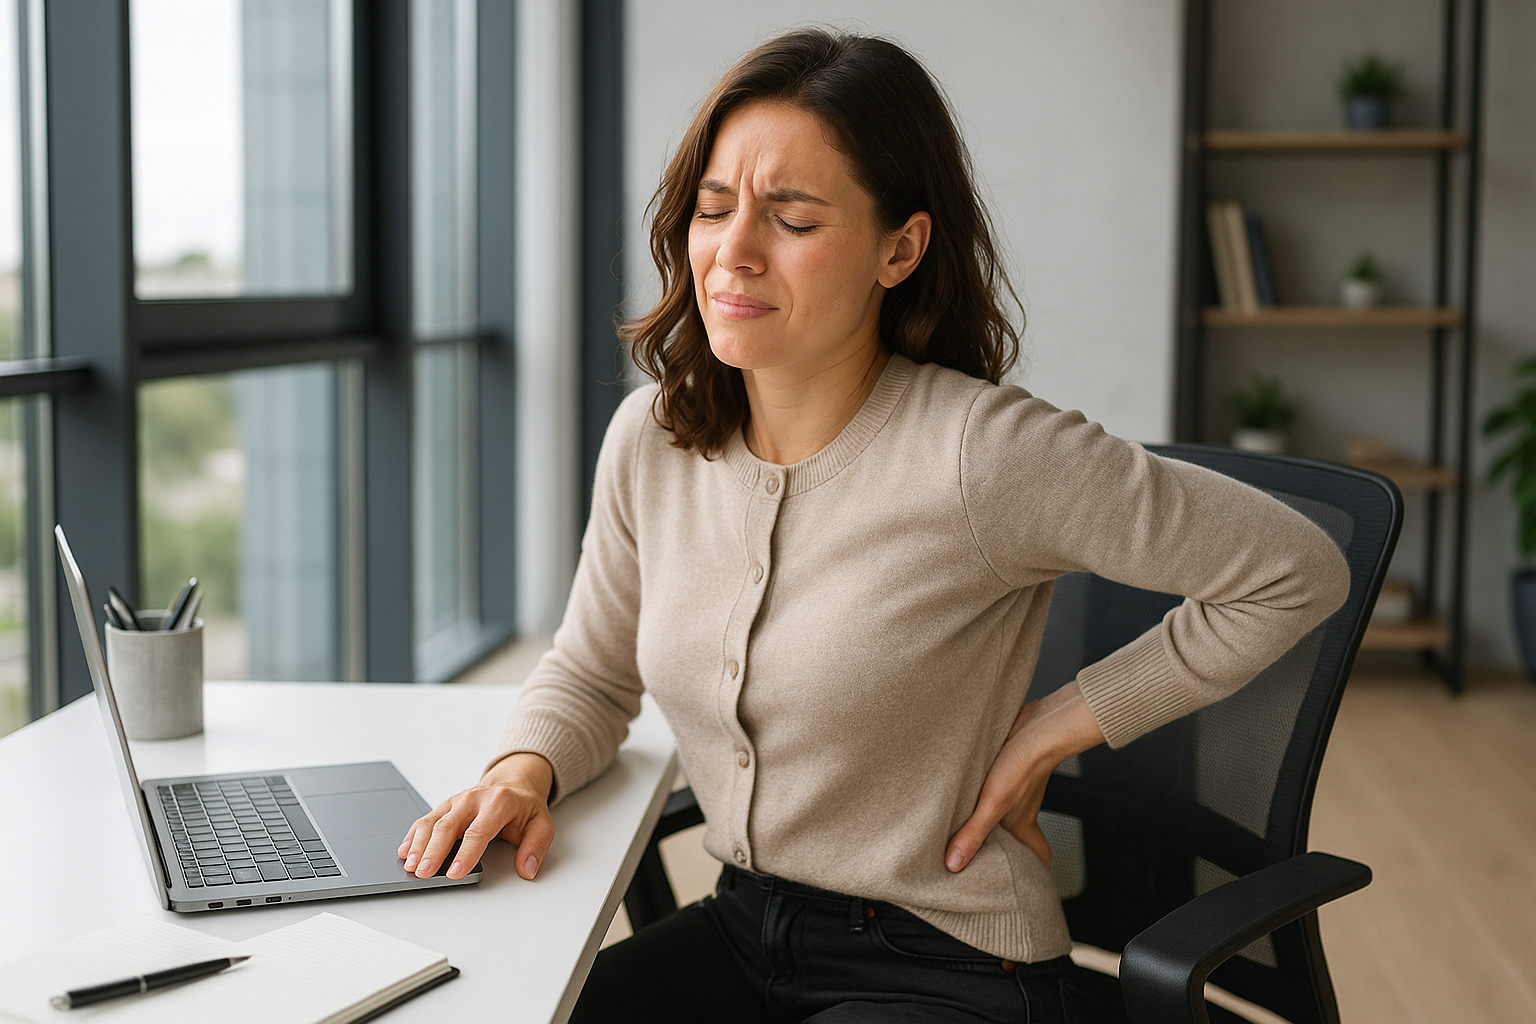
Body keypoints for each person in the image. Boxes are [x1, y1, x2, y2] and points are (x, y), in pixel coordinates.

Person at [399, 28, 1350, 1024]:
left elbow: (1293, 567)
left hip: (949, 964)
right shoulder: (656, 434)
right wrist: (523, 768)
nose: (734, 252)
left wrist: (1054, 727)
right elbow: (593, 672)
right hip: (744, 928)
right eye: (713, 208)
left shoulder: (984, 454)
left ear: (900, 247)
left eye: (793, 219)